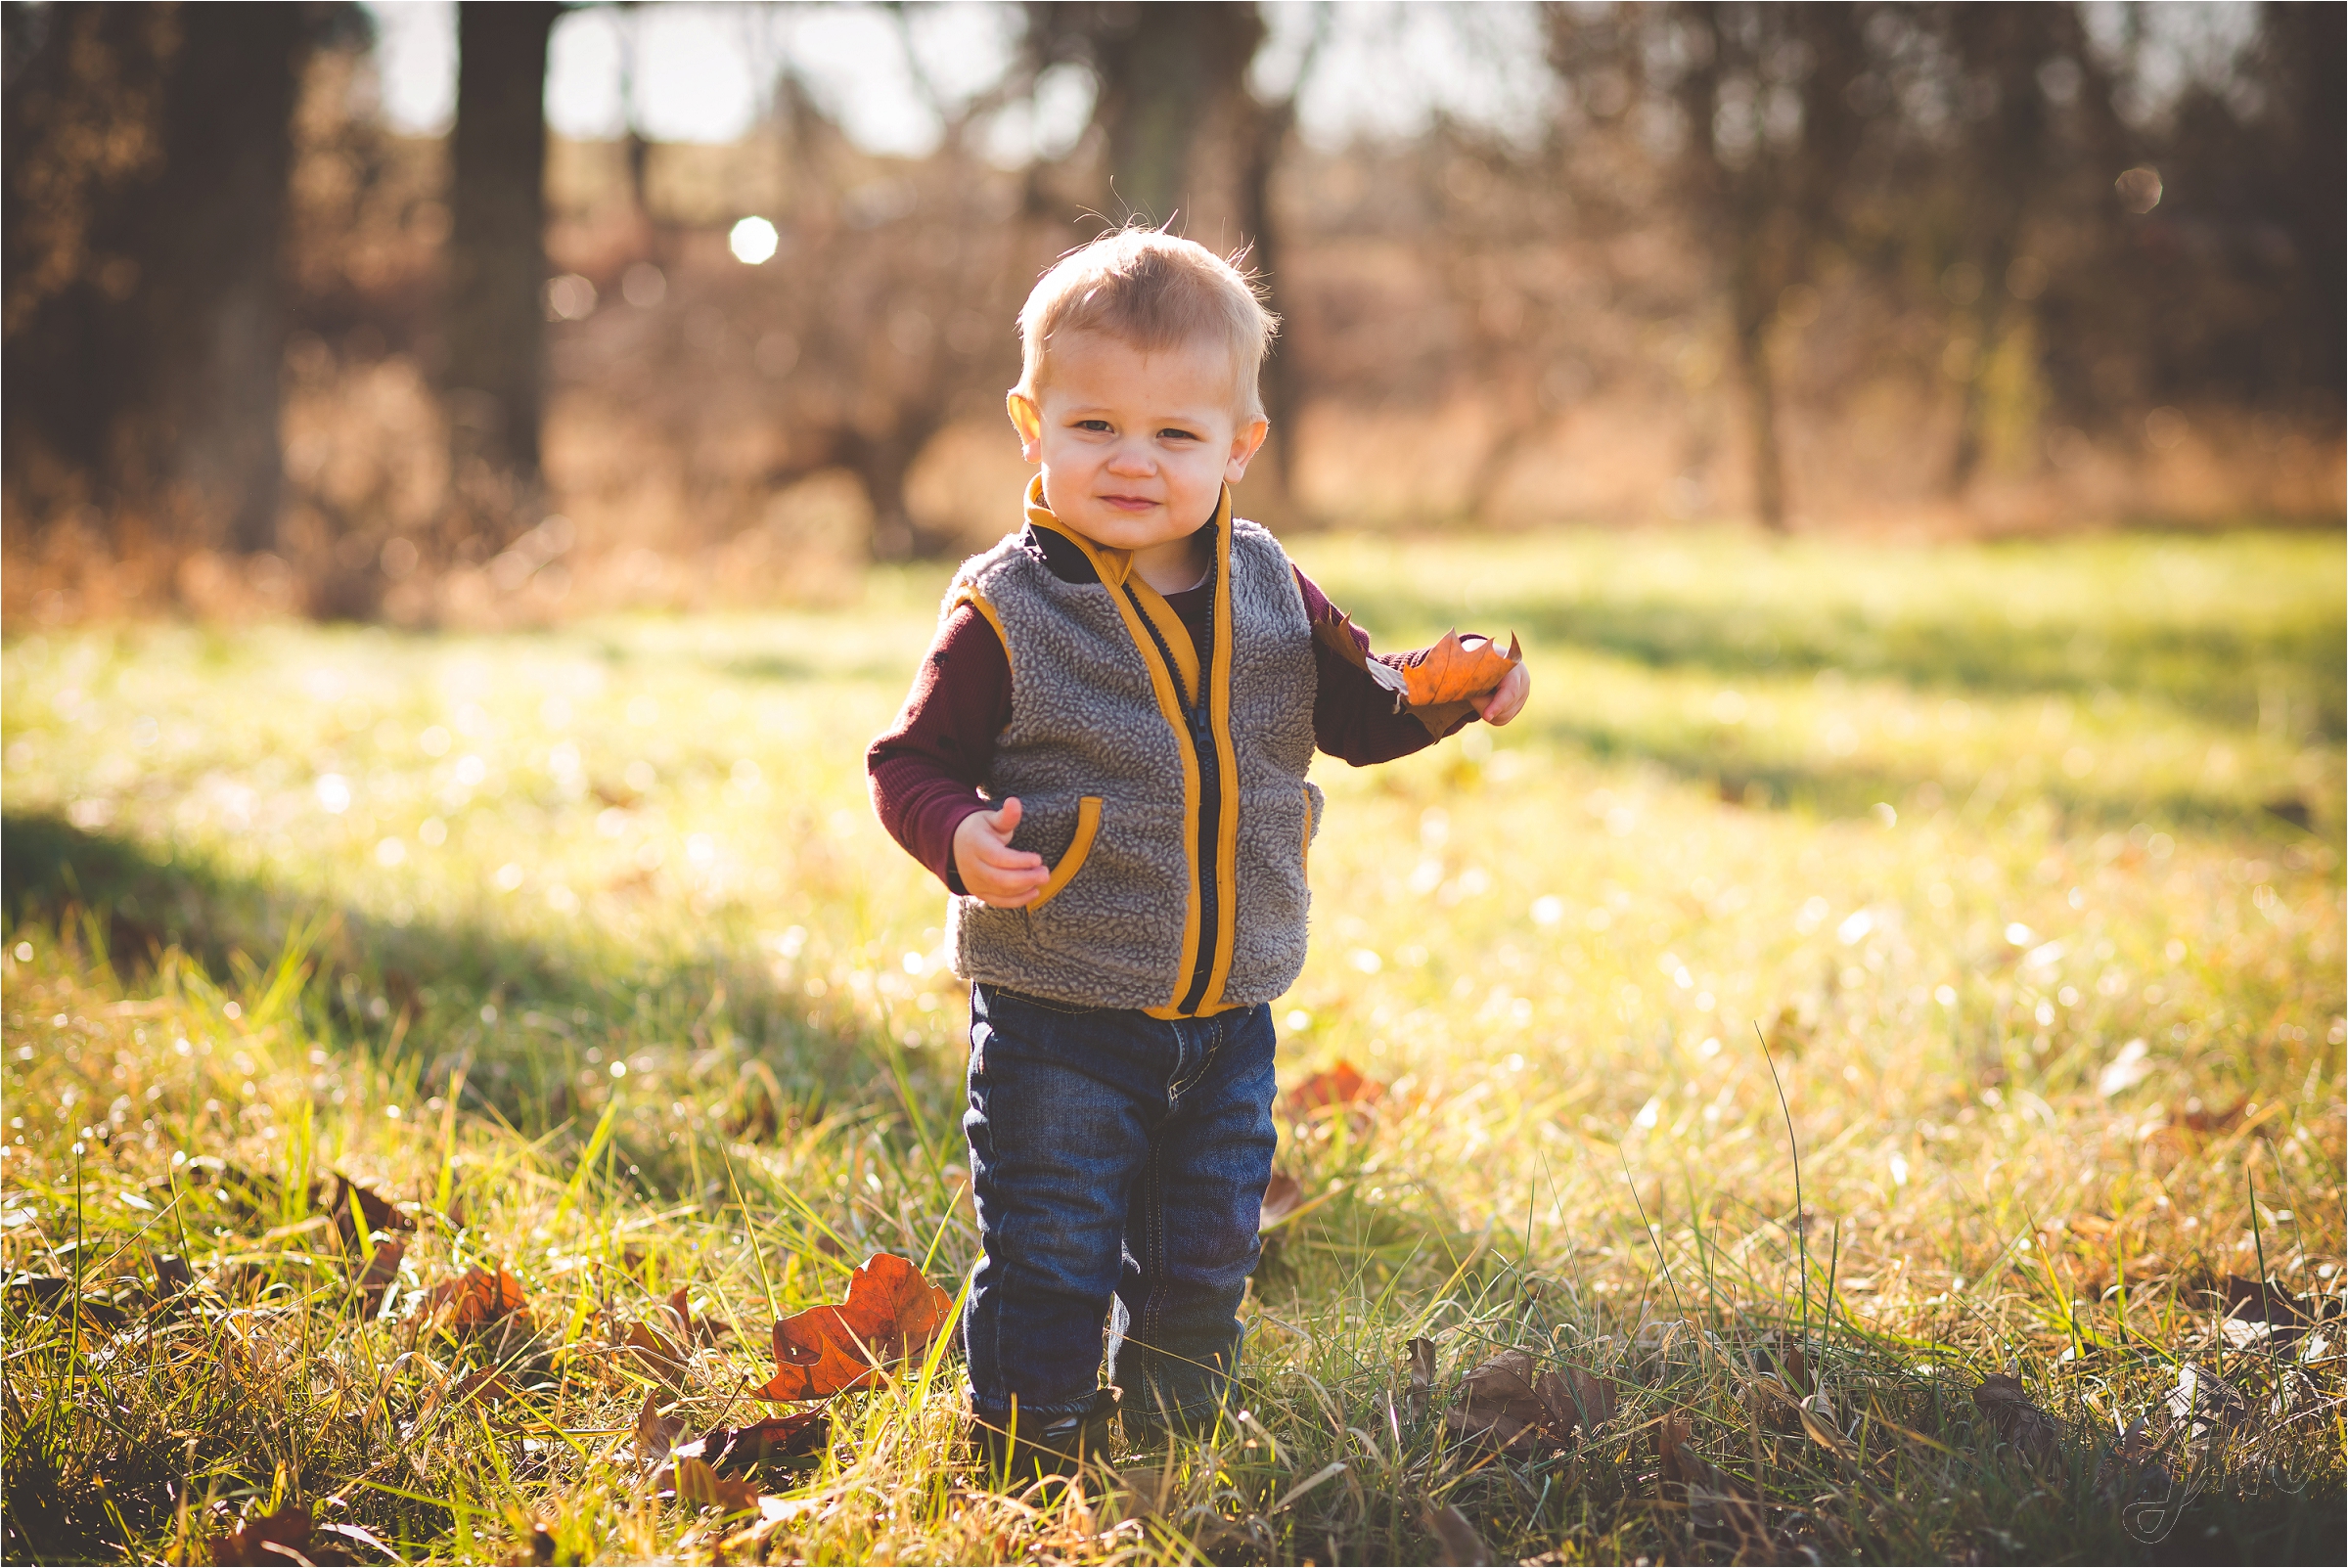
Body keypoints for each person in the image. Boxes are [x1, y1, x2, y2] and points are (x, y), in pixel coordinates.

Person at [867, 227, 1530, 1481]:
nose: (1132, 460)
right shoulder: (1008, 608)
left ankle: (1172, 1440)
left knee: (1204, 1255)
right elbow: (907, 762)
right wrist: (957, 834)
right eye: (1095, 426)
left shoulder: (1272, 585)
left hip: (1231, 1016)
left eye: (1176, 435)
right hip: (1061, 1005)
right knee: (1053, 1245)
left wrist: (1458, 688)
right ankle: (1026, 1450)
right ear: (1032, 425)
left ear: (1239, 443)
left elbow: (1364, 702)